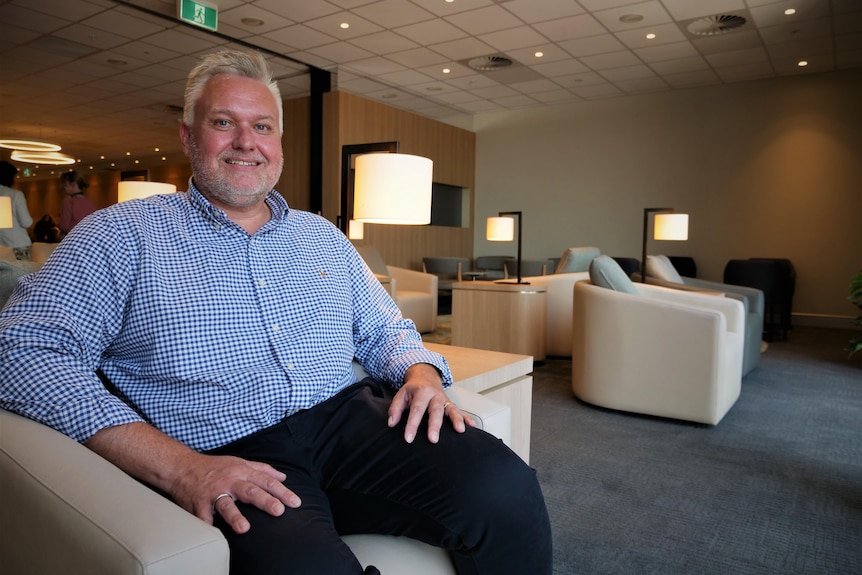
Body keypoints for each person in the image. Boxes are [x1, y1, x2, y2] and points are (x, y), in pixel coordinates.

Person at [0, 49, 552, 575]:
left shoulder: (321, 237)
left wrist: (422, 373)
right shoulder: (119, 235)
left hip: (350, 422)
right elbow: (21, 351)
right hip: (223, 448)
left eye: (262, 126)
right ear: (188, 136)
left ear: (279, 142)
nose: (246, 142)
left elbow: (387, 328)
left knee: (506, 487)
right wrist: (179, 467)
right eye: (223, 122)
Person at [0, 160, 34, 260]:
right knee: (21, 273)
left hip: (2, 245)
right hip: (18, 244)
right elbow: (26, 222)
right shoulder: (15, 195)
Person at [58, 170, 97, 236]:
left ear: (73, 184)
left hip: (73, 238)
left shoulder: (68, 203)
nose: (62, 187)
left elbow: (64, 226)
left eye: (65, 184)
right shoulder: (91, 203)